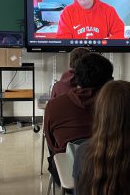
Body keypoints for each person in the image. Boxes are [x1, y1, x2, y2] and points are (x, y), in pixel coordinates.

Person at [44, 53, 113, 184]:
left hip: (68, 175)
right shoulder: (118, 105)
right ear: (108, 81)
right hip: (112, 175)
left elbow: (51, 144)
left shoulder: (53, 106)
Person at [56, 0, 125, 39]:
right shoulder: (67, 13)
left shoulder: (109, 10)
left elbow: (121, 34)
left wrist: (105, 43)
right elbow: (63, 41)